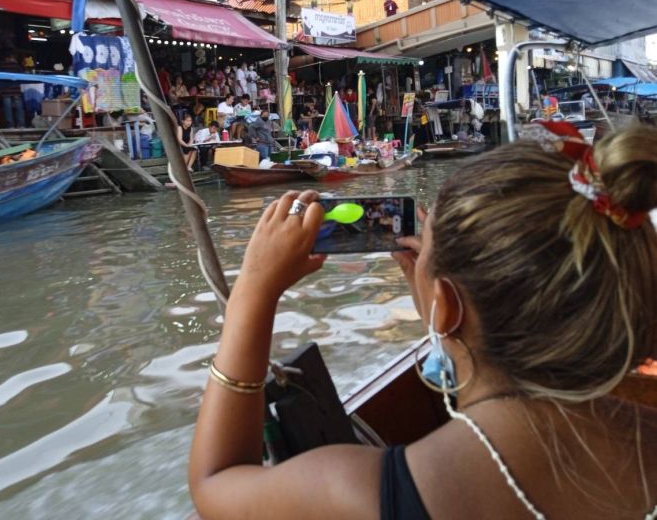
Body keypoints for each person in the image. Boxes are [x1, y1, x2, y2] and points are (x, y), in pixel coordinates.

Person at [189, 123, 657, 520]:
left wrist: (254, 286)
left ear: (447, 306)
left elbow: (216, 482)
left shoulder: (362, 491)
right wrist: (444, 315)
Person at [0, 53, 26, 128]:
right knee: (19, 108)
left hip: (5, 91)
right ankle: (21, 125)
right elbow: (22, 76)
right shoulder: (16, 66)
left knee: (8, 110)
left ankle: (10, 126)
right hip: (16, 90)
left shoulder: (1, 66)